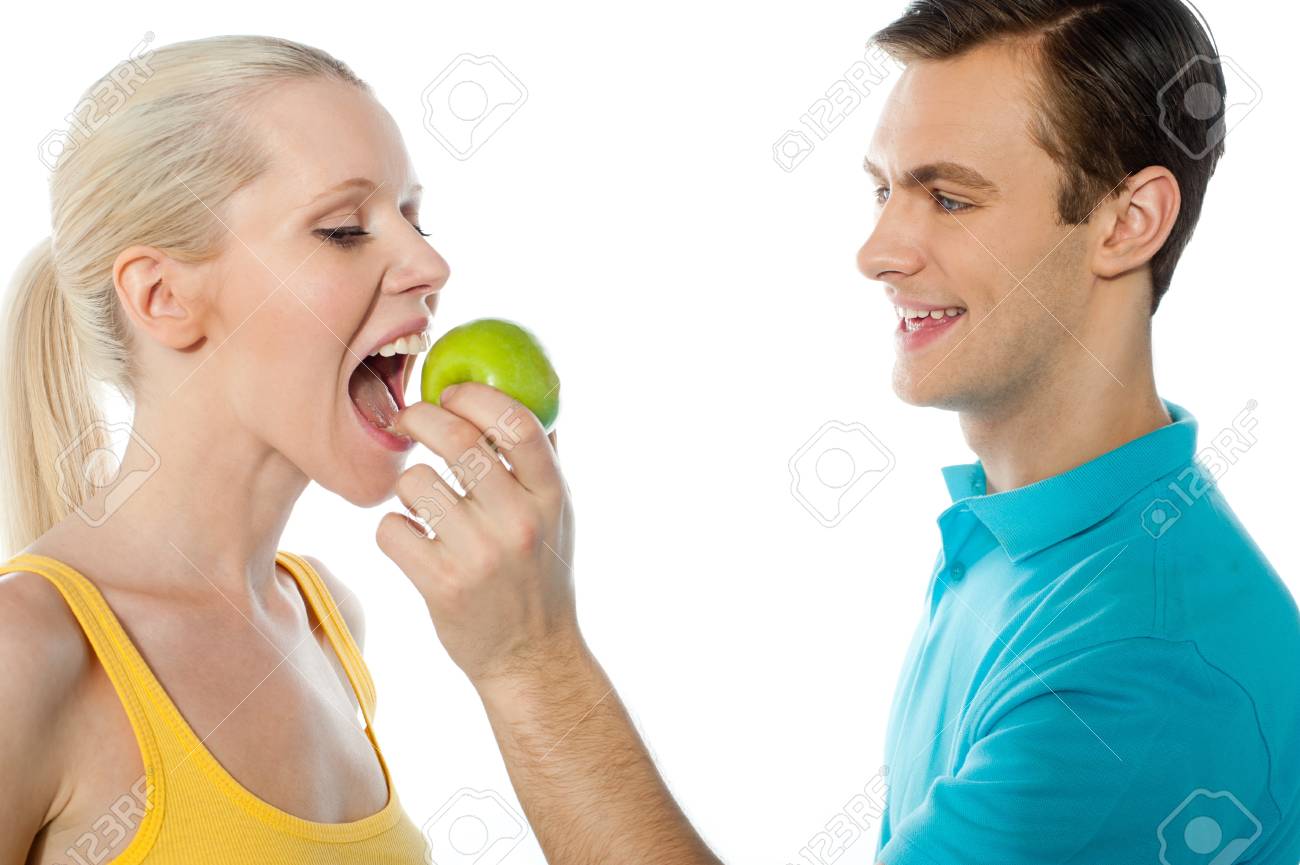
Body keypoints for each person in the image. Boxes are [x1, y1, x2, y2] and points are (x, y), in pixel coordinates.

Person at [379, 1, 1300, 864]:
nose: (877, 253)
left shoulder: (1140, 673)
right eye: (883, 190)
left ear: (1128, 221)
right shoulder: (1034, 539)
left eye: (950, 199)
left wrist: (527, 658)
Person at [0, 35, 458, 862]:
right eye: (345, 229)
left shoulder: (327, 621)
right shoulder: (22, 654)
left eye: (413, 217)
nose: (430, 263)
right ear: (164, 295)